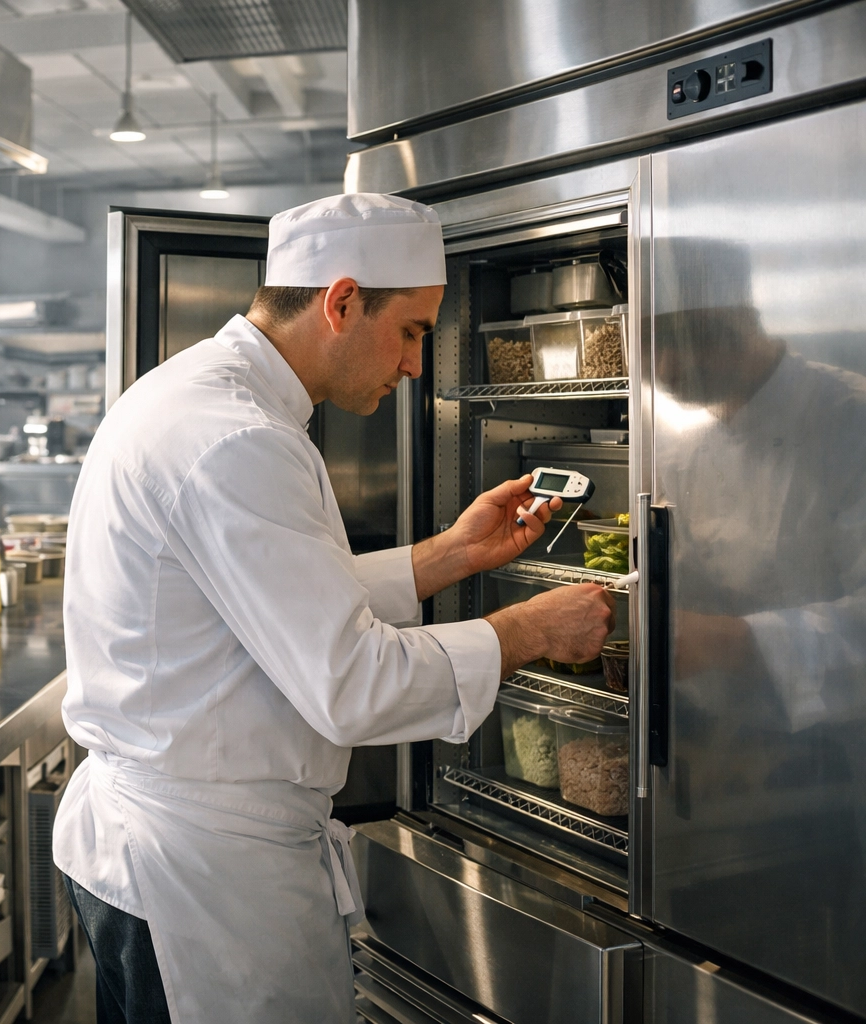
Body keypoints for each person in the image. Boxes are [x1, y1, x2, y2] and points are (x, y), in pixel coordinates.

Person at [53, 193, 616, 1023]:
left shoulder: (201, 398)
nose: (417, 365)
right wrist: (526, 629)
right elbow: (350, 682)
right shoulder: (236, 437)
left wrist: (449, 556)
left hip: (163, 848)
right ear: (342, 301)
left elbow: (265, 607)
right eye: (412, 331)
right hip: (204, 879)